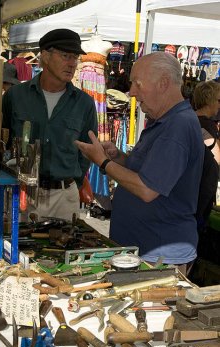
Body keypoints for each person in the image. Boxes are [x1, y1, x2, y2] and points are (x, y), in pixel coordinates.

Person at [75, 52, 204, 274]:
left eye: (137, 83)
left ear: (163, 83)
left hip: (160, 255)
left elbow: (147, 189)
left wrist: (104, 162)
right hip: (146, 250)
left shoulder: (177, 126)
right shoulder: (164, 121)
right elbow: (149, 172)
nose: (132, 92)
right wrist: (118, 157)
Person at [2, 29, 98, 222]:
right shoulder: (16, 96)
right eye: (65, 56)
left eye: (75, 58)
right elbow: (3, 140)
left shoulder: (84, 103)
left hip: (64, 197)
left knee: (62, 250)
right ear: (45, 55)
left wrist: (74, 183)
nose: (72, 63)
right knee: (15, 250)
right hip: (22, 193)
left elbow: (87, 151)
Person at [193, 80, 220, 164]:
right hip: (206, 175)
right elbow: (217, 159)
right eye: (219, 101)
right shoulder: (207, 125)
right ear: (209, 100)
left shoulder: (191, 118)